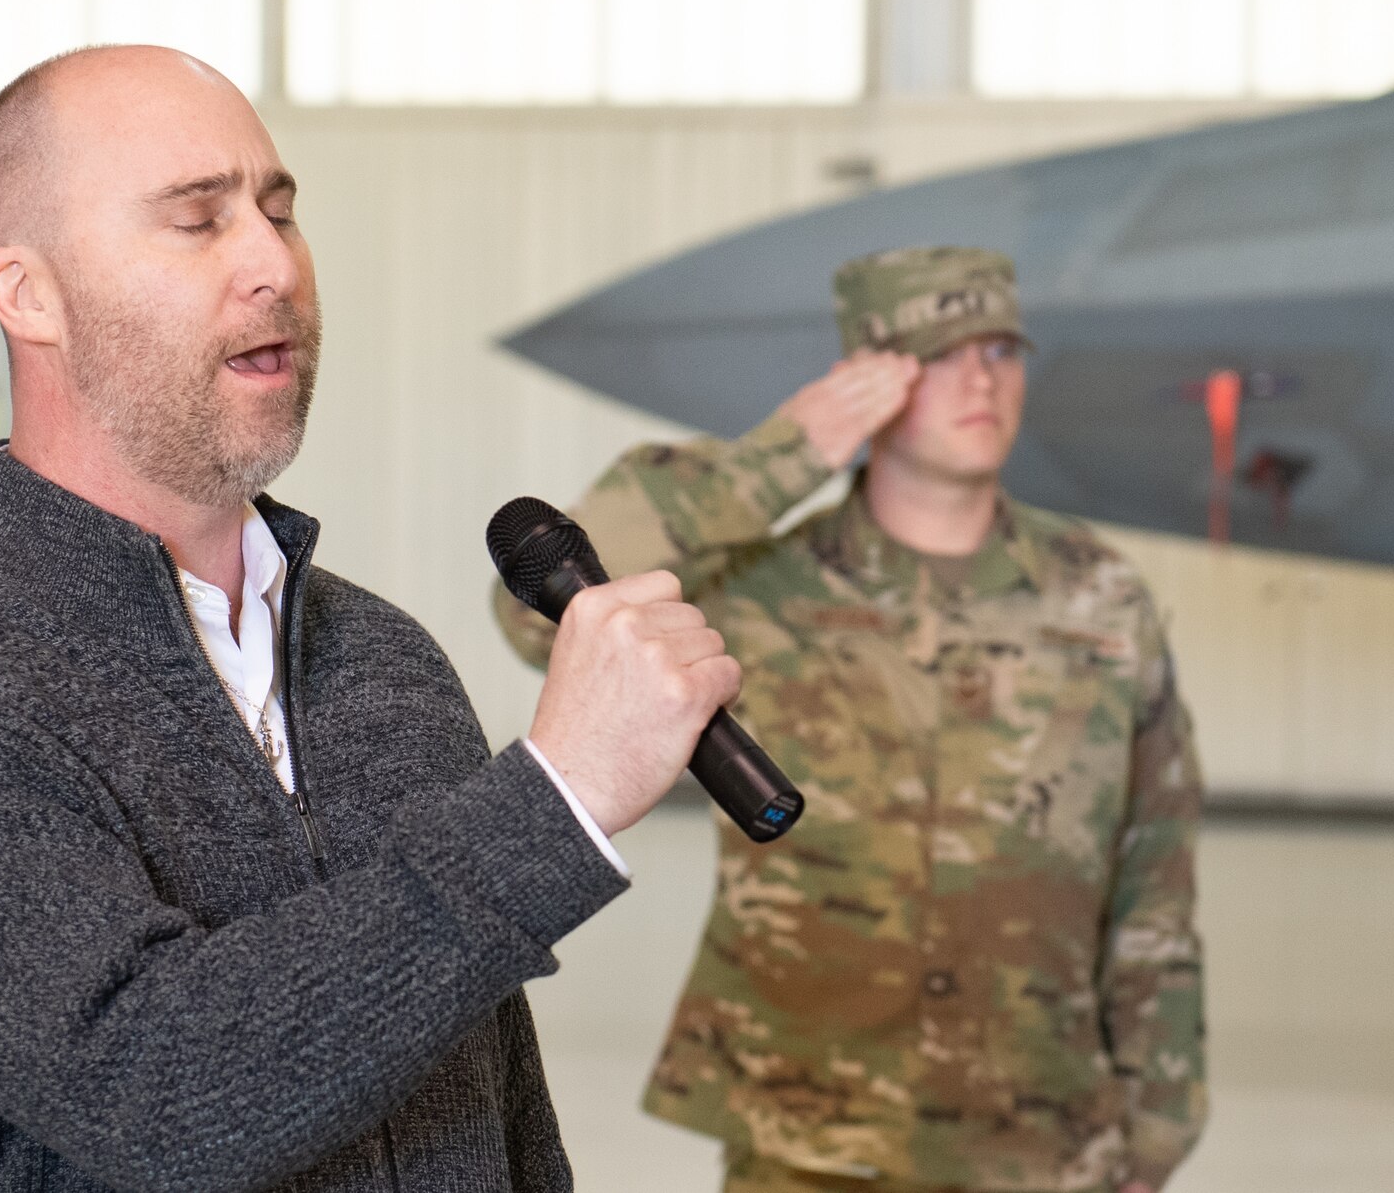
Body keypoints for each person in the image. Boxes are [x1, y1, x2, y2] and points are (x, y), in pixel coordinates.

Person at [0, 45, 742, 1193]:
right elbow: (165, 1092)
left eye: (279, 211)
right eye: (196, 220)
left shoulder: (383, 661)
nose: (273, 262)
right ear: (27, 294)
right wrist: (555, 800)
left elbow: (498, 1105)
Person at [493, 247, 1207, 1193]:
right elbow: (535, 615)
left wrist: (1156, 1131)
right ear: (868, 376)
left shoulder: (1101, 596)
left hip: (1044, 1136)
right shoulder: (762, 588)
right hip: (809, 1133)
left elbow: (1154, 872)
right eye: (940, 353)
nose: (982, 377)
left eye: (1001, 349)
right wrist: (784, 454)